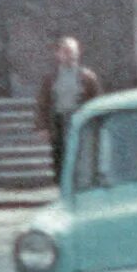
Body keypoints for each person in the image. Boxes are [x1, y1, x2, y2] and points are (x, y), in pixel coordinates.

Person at [35, 37, 103, 176]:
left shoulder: (88, 77)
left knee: (82, 154)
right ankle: (62, 186)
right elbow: (43, 102)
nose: (69, 55)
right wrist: (42, 126)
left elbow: (97, 101)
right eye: (65, 51)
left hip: (80, 120)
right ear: (58, 54)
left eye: (72, 51)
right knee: (60, 157)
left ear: (78, 53)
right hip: (58, 121)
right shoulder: (51, 78)